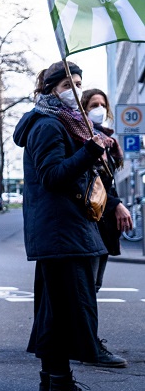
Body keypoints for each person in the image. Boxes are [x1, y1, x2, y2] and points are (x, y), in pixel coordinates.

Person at [13, 61, 107, 391]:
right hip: (61, 231)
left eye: (80, 83)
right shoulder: (48, 125)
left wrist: (92, 151)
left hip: (62, 232)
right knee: (67, 313)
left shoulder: (62, 123)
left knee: (56, 313)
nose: (77, 90)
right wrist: (89, 152)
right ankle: (62, 387)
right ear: (52, 86)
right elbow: (53, 176)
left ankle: (51, 386)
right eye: (70, 83)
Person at [80, 88, 131, 368]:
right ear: (84, 108)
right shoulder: (84, 137)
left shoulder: (108, 140)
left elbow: (106, 183)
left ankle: (85, 342)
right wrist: (117, 204)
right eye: (93, 104)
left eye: (102, 104)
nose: (98, 108)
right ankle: (88, 345)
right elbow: (91, 183)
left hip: (103, 221)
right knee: (87, 287)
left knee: (93, 286)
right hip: (92, 220)